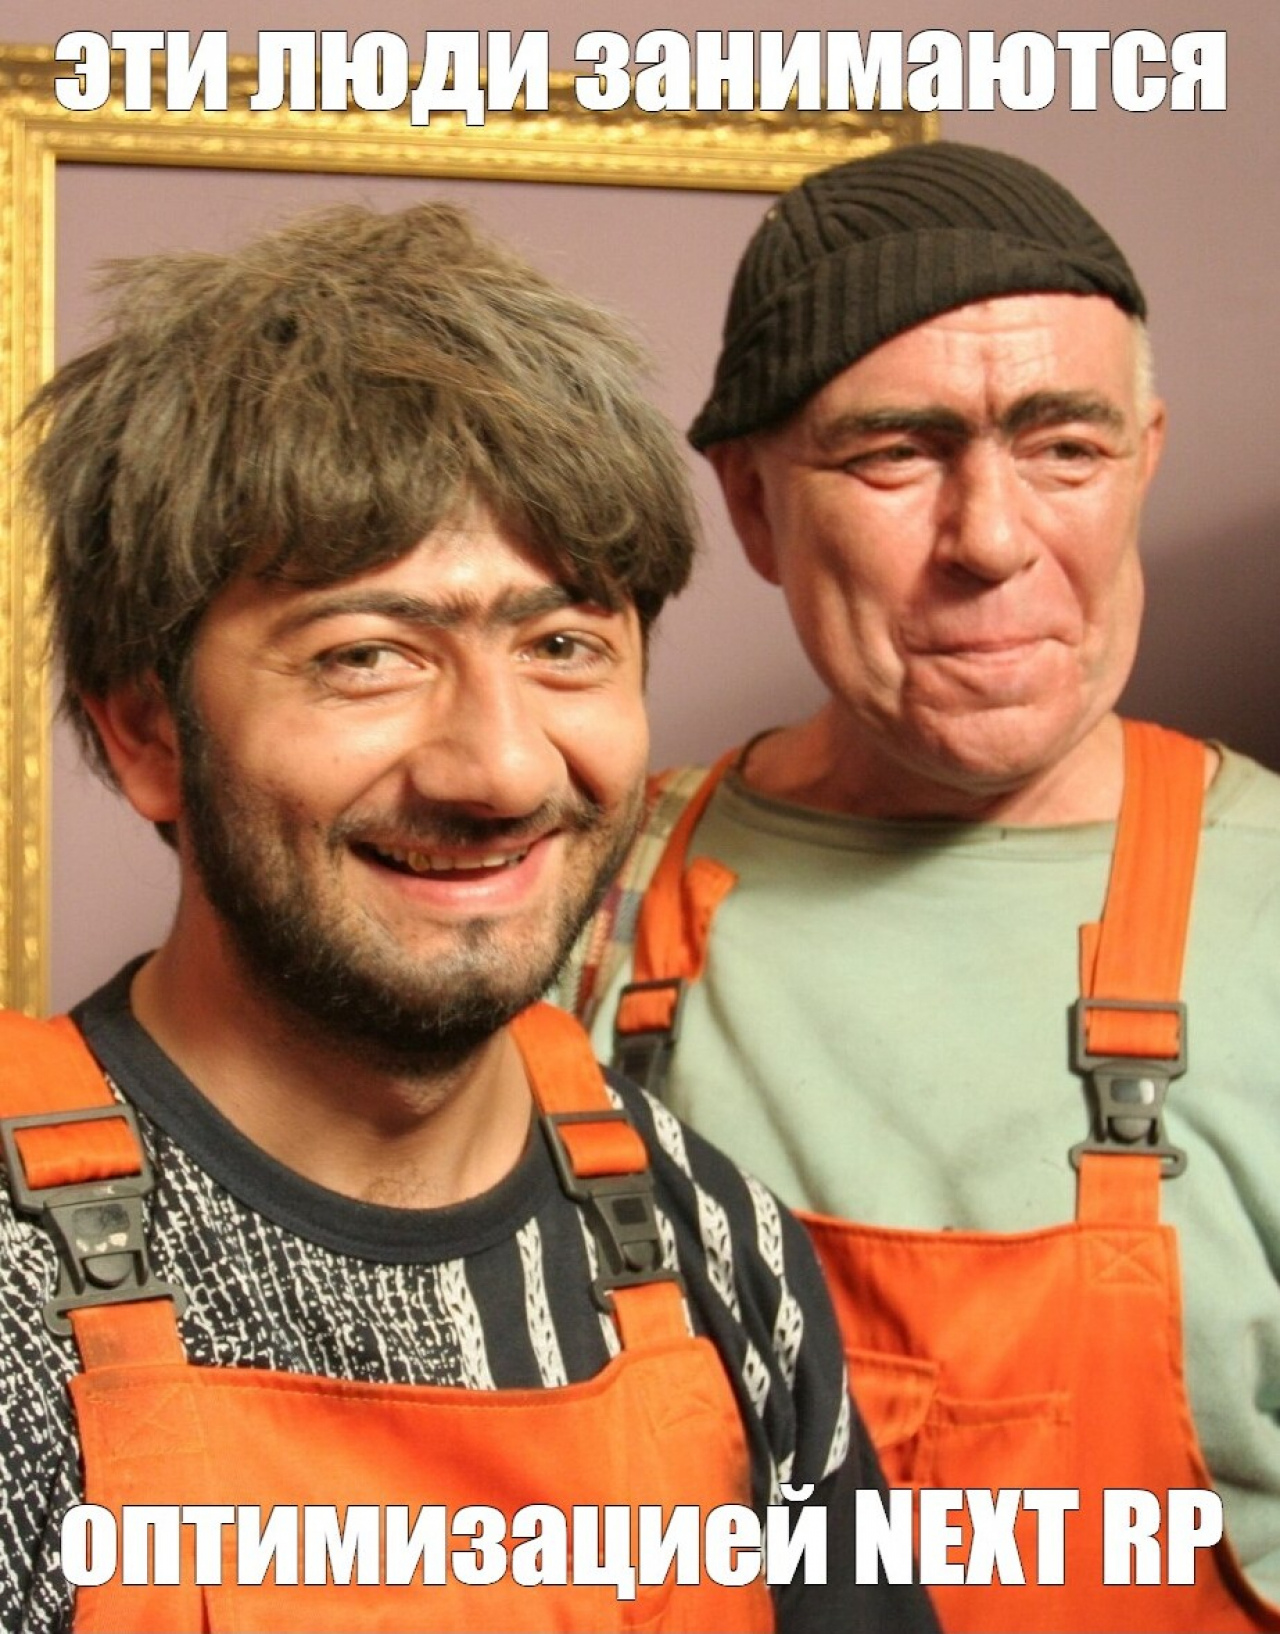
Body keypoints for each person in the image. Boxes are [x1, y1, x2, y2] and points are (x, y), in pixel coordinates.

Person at [0, 203, 936, 1634]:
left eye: (563, 645)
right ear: (144, 731)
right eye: (367, 656)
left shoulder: (713, 1245)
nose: (499, 770)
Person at [564, 141, 1280, 1632]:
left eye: (1066, 448)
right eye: (896, 453)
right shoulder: (578, 901)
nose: (995, 541)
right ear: (752, 506)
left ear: (1145, 458)